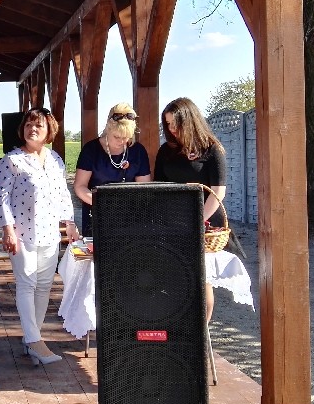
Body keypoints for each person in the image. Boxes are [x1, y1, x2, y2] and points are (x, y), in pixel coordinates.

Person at [0, 107, 80, 365]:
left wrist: (69, 223)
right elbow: (1, 198)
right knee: (27, 284)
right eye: (29, 125)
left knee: (44, 286)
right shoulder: (12, 161)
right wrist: (8, 229)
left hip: (49, 233)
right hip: (22, 234)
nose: (33, 129)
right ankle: (33, 340)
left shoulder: (55, 159)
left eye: (39, 125)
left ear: (49, 130)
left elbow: (63, 193)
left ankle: (33, 337)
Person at [154, 97, 228, 323]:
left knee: (202, 280)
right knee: (175, 277)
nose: (171, 129)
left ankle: (201, 333)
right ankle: (180, 328)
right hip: (173, 224)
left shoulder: (212, 149)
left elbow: (218, 192)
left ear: (189, 120)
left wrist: (197, 221)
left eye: (175, 123)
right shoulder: (166, 151)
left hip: (204, 224)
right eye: (167, 124)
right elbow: (158, 188)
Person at [72, 102, 152, 237]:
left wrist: (130, 205)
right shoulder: (91, 150)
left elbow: (144, 188)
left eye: (126, 137)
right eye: (117, 137)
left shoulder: (138, 151)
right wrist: (102, 204)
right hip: (97, 215)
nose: (121, 141)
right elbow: (80, 186)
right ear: (108, 128)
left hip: (130, 218)